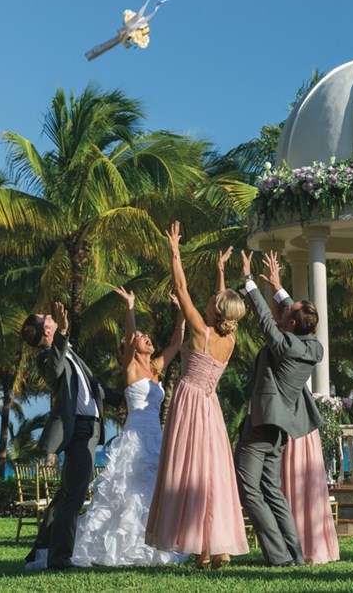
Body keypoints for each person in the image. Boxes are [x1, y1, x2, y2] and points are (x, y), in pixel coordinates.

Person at [145, 222, 249, 570]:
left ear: (215, 310)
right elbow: (224, 304)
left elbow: (180, 286)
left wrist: (175, 251)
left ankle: (201, 550)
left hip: (188, 401)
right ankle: (217, 548)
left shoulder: (199, 331)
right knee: (211, 473)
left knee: (188, 473)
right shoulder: (229, 339)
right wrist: (221, 273)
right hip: (210, 405)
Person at [70, 287, 189, 567]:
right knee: (128, 490)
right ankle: (121, 546)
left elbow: (177, 341)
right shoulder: (130, 369)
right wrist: (130, 307)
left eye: (147, 337)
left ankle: (156, 543)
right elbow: (128, 337)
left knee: (155, 490)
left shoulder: (157, 368)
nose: (147, 338)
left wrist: (182, 312)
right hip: (135, 436)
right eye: (142, 337)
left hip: (156, 437)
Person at [235, 249, 324, 567]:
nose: (283, 310)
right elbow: (295, 314)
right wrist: (277, 284)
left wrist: (249, 282)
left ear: (290, 323)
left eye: (287, 312)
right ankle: (296, 555)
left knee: (249, 491)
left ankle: (279, 557)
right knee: (271, 491)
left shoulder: (284, 344)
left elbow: (263, 317)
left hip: (261, 426)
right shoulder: (313, 347)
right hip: (281, 427)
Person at [20, 301, 123, 571]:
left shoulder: (69, 353)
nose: (51, 316)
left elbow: (95, 385)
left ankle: (42, 553)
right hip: (78, 430)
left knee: (65, 494)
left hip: (90, 428)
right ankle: (60, 559)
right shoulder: (46, 357)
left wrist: (123, 399)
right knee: (75, 496)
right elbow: (54, 370)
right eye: (46, 317)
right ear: (45, 332)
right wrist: (63, 334)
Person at [281, 431, 340, 565]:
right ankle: (310, 546)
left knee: (307, 487)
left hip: (294, 432)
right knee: (309, 488)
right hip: (302, 433)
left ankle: (304, 548)